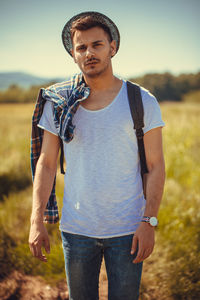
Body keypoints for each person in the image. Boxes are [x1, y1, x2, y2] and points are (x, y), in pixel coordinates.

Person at [29, 11, 165, 300]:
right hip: (77, 230)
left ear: (112, 47)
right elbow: (47, 163)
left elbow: (155, 166)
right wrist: (35, 220)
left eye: (97, 45)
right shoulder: (60, 103)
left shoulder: (141, 100)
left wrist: (149, 221)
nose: (89, 53)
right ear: (73, 54)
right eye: (81, 47)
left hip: (128, 229)